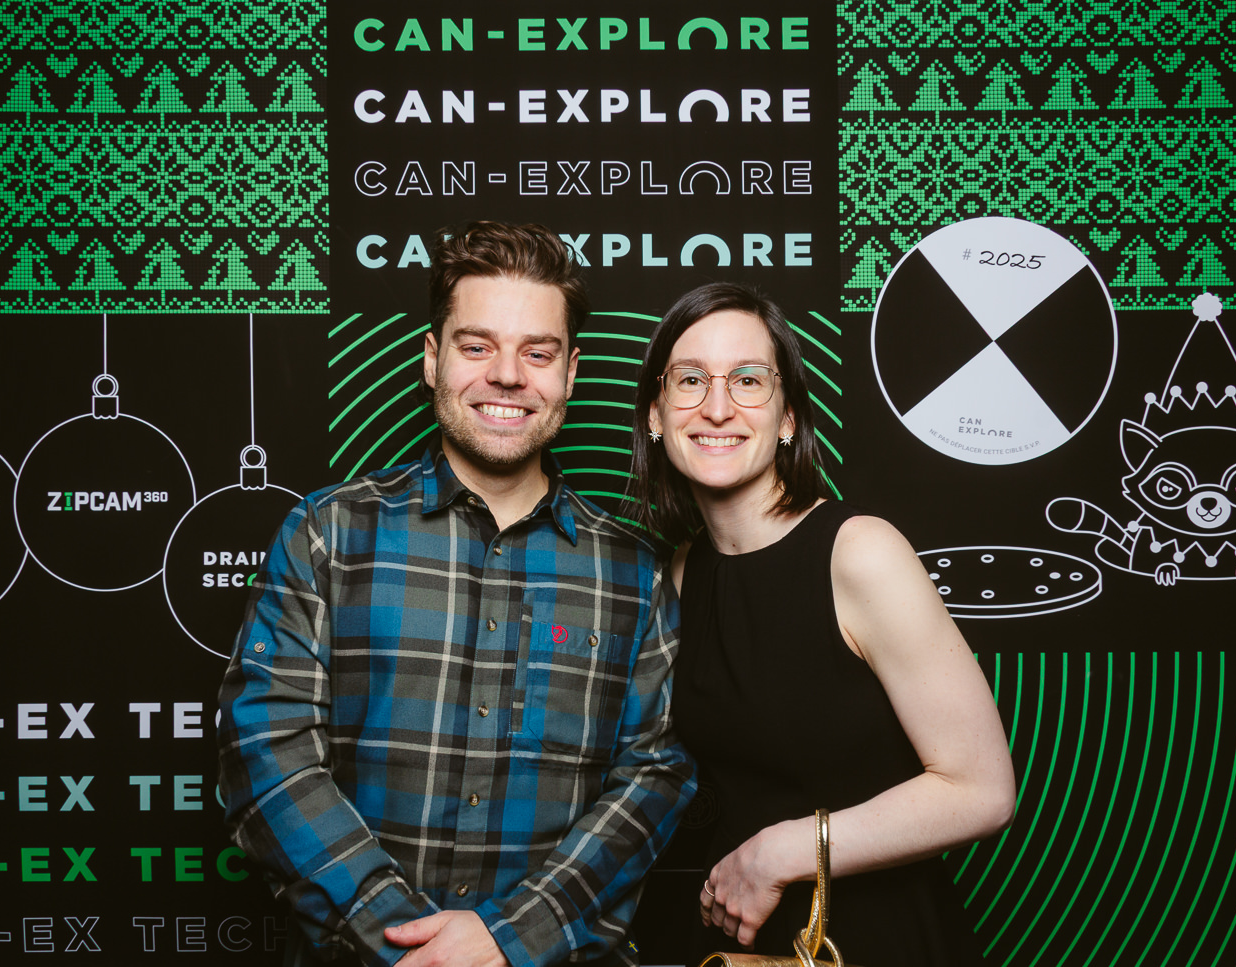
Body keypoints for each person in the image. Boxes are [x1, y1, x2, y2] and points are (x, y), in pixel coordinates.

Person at [218, 222, 696, 967]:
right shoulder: (329, 534)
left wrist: (510, 939)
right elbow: (265, 752)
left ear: (571, 371)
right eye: (476, 347)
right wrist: (406, 942)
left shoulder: (634, 573)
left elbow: (653, 777)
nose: (507, 375)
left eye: (537, 353)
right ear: (431, 357)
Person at [624, 282, 1015, 965]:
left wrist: (783, 851)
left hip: (874, 939)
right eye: (690, 380)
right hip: (742, 942)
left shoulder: (859, 553)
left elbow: (982, 791)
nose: (717, 406)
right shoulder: (686, 571)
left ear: (787, 418)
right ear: (657, 415)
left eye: (748, 380)